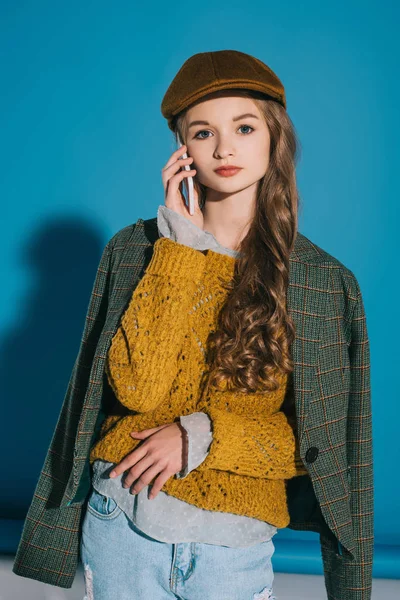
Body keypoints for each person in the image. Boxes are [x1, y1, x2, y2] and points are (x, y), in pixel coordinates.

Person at [13, 50, 373, 600]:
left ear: (274, 137)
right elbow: (136, 388)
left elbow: (320, 447)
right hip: (123, 523)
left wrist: (198, 435)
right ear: (182, 149)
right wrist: (180, 248)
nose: (225, 148)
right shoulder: (136, 251)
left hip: (234, 543)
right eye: (203, 133)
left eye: (244, 127)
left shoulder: (322, 283)